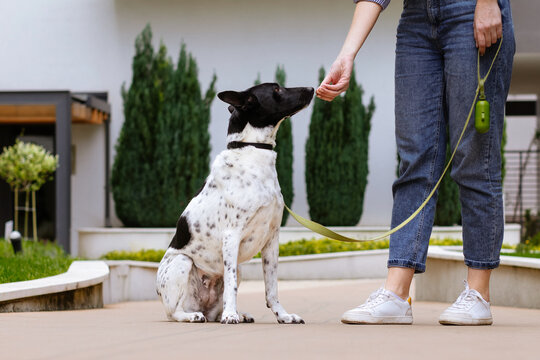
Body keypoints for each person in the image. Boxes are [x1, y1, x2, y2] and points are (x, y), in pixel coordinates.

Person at [317, 0, 514, 325]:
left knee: (475, 157)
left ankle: (478, 294)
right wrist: (347, 53)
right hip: (416, 20)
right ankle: (396, 294)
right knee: (414, 161)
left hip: (471, 9)